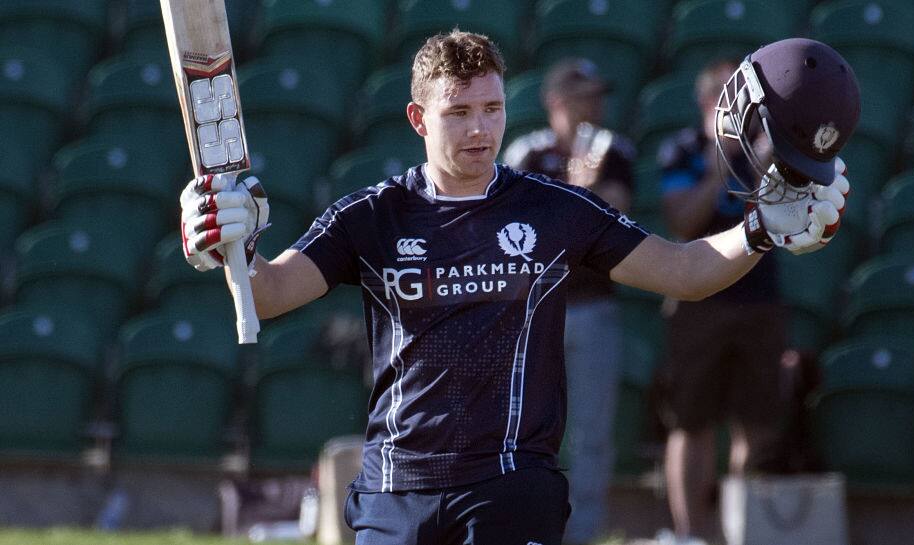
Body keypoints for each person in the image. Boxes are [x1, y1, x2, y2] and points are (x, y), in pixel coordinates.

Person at [177, 32, 858, 545]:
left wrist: (758, 231)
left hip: (511, 486)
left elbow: (682, 269)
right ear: (419, 119)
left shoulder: (554, 208)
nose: (480, 128)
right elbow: (267, 293)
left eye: (493, 108)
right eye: (459, 112)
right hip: (394, 490)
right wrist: (225, 243)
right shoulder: (371, 215)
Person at [651, 58, 786, 545]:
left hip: (758, 299)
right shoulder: (682, 151)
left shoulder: (768, 150)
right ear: (711, 104)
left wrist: (765, 162)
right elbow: (682, 222)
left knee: (757, 422)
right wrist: (715, 168)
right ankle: (690, 534)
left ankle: (742, 532)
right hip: (699, 301)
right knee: (691, 421)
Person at [501, 58, 636, 545]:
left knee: (593, 433)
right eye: (585, 97)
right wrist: (574, 195)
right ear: (557, 103)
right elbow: (512, 231)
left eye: (598, 97)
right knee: (525, 427)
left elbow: (618, 216)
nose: (595, 107)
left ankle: (580, 535)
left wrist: (585, 192)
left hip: (593, 304)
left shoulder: (613, 151)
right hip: (534, 312)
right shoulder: (527, 154)